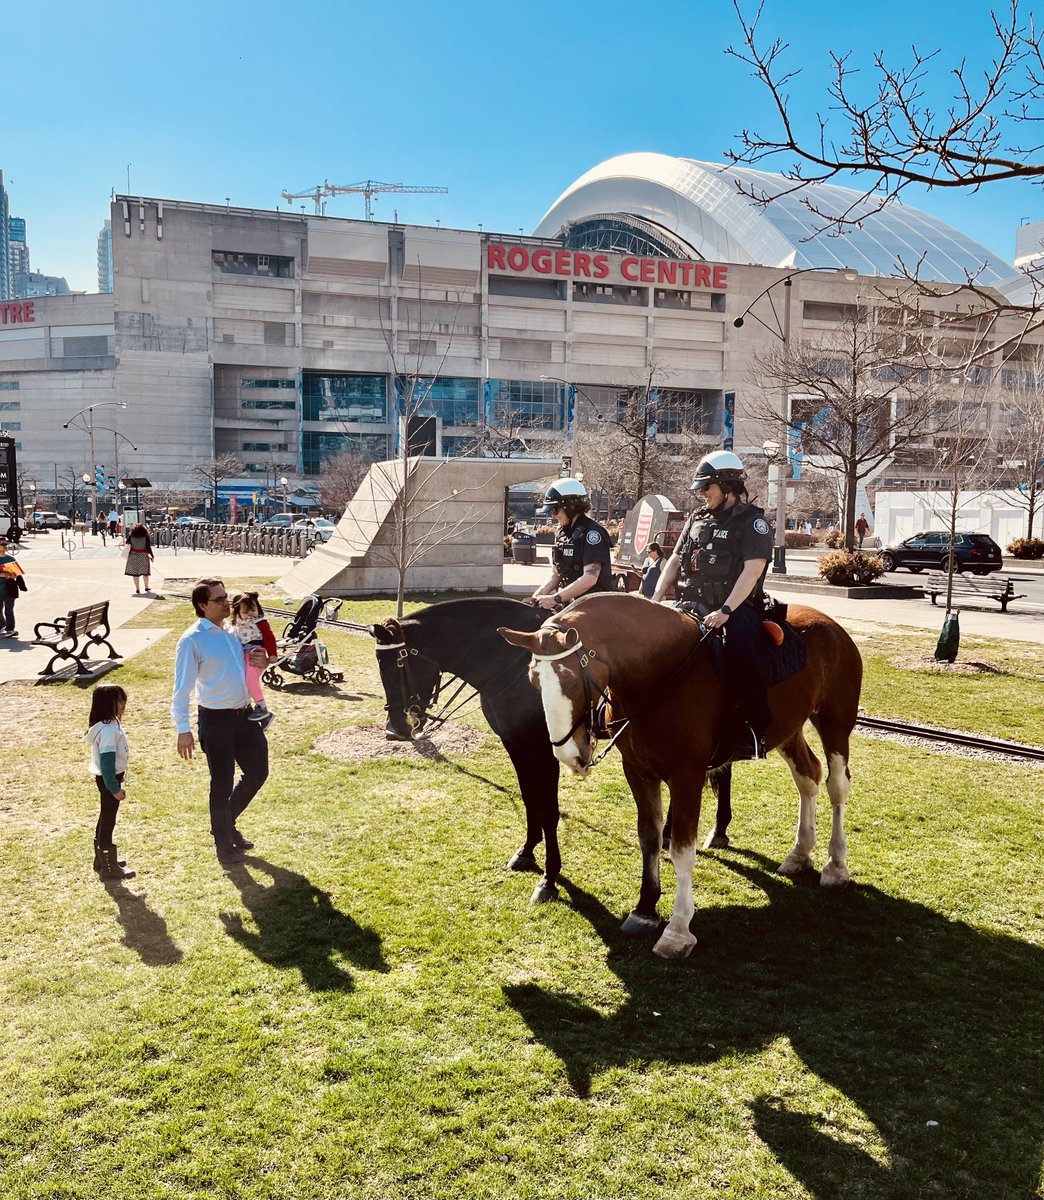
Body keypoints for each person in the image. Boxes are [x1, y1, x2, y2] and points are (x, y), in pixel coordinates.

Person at [653, 450, 773, 761]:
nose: (703, 493)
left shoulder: (753, 522)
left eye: (708, 487)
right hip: (691, 603)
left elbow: (753, 570)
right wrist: (654, 601)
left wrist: (727, 611)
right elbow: (675, 561)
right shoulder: (696, 518)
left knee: (742, 654)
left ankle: (752, 730)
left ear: (728, 485)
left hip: (735, 609)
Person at [171, 578, 270, 867]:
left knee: (258, 772)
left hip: (244, 715)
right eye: (219, 599)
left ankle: (225, 824)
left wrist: (261, 663)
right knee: (222, 783)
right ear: (202, 605)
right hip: (215, 720)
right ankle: (224, 844)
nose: (228, 603)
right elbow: (181, 688)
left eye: (226, 597)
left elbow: (247, 669)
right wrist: (183, 729)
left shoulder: (232, 632)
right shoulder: (192, 639)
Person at [529, 478, 613, 610]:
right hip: (572, 605)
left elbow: (590, 578)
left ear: (570, 507)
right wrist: (539, 594)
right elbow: (556, 573)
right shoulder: (563, 533)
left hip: (596, 608)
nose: (553, 515)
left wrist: (555, 598)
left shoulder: (592, 534)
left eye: (555, 510)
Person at [86, 684, 135, 880]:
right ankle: (109, 867)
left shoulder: (111, 725)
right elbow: (107, 764)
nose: (124, 705)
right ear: (108, 704)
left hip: (110, 779)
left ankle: (101, 859)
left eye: (124, 700)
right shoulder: (107, 731)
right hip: (109, 780)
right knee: (108, 819)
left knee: (105, 816)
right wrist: (114, 788)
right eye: (120, 701)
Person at [228, 591, 278, 728]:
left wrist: (272, 654)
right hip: (244, 653)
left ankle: (262, 706)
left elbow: (269, 637)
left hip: (256, 651)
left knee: (250, 679)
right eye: (245, 612)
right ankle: (264, 713)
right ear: (238, 612)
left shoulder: (260, 621)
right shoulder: (237, 624)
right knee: (245, 680)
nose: (250, 614)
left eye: (253, 610)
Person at [0, 536, 27, 638]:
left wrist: (13, 575)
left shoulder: (10, 559)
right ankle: (1, 625)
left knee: (9, 610)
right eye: (2, 544)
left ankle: (10, 628)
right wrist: (2, 575)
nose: (5, 546)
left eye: (5, 544)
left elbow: (16, 573)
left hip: (9, 588)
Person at [124, 522, 155, 594]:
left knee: (135, 574)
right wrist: (152, 556)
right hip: (143, 556)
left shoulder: (132, 536)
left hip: (133, 555)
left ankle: (137, 589)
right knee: (145, 573)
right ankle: (146, 587)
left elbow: (127, 542)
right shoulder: (145, 537)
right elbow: (148, 547)